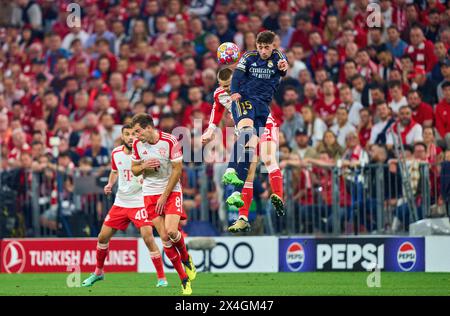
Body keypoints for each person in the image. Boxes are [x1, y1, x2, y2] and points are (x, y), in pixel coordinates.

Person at [81, 125, 168, 288]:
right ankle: (98, 272)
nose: (130, 137)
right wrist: (109, 184)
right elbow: (115, 171)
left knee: (148, 237)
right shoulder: (116, 153)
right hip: (121, 202)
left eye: (133, 134)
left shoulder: (144, 152)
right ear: (122, 136)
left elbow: (157, 169)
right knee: (102, 237)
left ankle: (162, 278)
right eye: (126, 134)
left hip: (140, 202)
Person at [201, 67, 284, 233]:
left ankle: (278, 195)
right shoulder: (220, 94)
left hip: (263, 123)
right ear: (219, 84)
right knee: (249, 171)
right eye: (224, 86)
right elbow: (216, 111)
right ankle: (243, 217)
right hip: (246, 130)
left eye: (230, 84)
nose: (228, 89)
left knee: (268, 157)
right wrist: (210, 131)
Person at [221, 30, 288, 219]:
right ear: (256, 46)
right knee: (248, 137)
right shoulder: (249, 57)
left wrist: (283, 67)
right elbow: (237, 76)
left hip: (262, 107)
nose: (263, 51)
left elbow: (283, 67)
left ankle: (240, 199)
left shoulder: (277, 57)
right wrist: (234, 92)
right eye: (260, 47)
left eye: (266, 47)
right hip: (246, 100)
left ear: (273, 46)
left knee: (250, 151)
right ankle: (231, 171)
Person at [130, 114, 196, 295]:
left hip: (171, 190)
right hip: (150, 193)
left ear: (149, 128)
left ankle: (186, 258)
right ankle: (184, 279)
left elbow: (177, 170)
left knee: (172, 231)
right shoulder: (137, 145)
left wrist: (164, 196)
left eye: (138, 131)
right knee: (165, 238)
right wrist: (143, 166)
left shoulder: (169, 141)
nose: (136, 136)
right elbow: (134, 170)